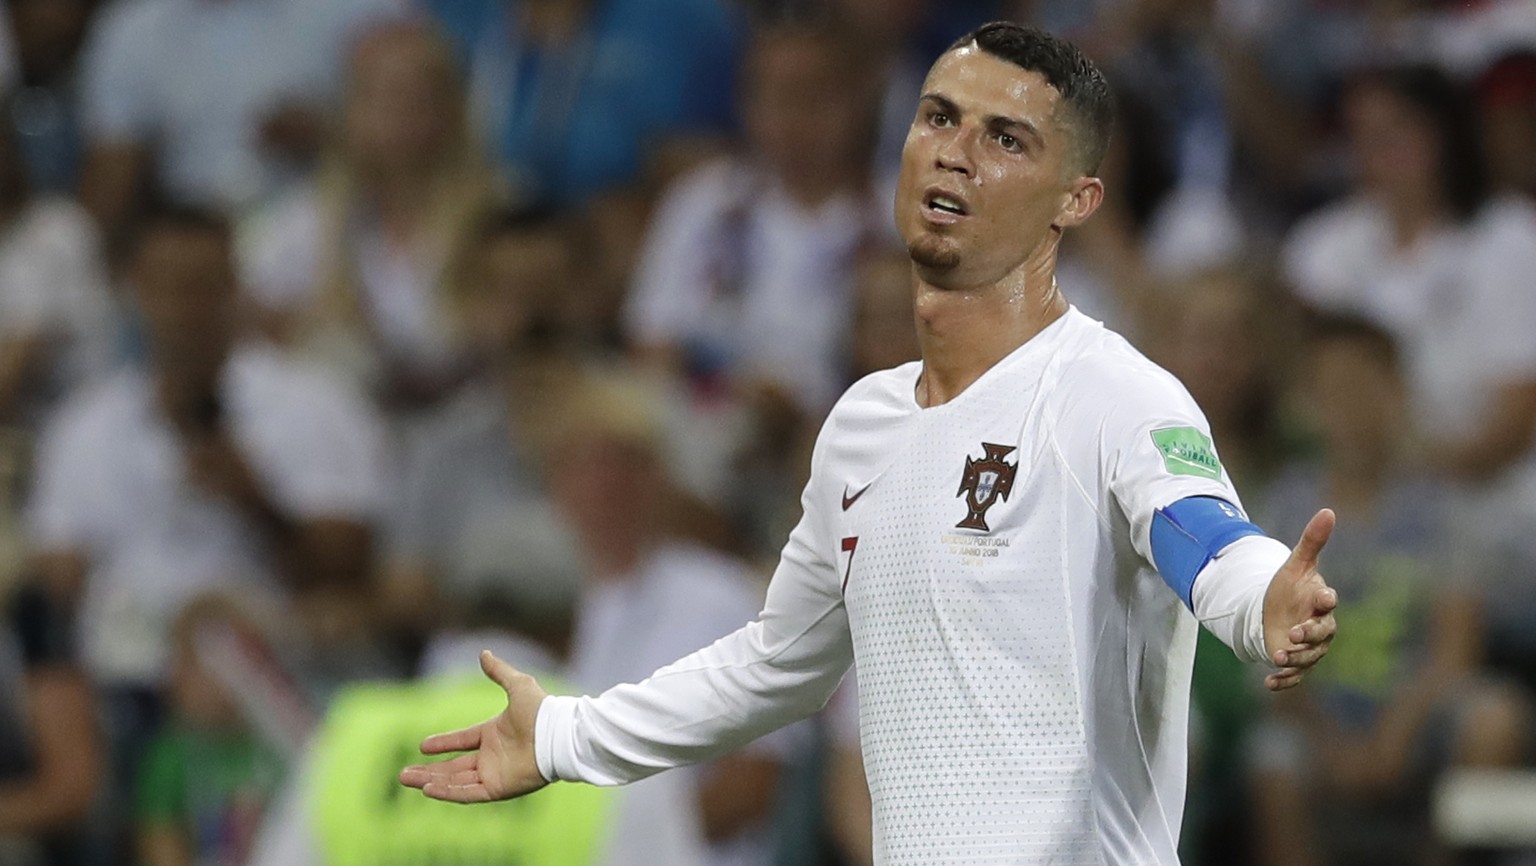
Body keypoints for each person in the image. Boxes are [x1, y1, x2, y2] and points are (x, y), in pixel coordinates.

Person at [401, 23, 1340, 864]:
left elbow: (1200, 531)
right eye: (939, 118)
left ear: (1076, 200)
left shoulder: (1114, 394)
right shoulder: (861, 427)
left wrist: (1260, 594)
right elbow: (777, 662)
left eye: (1003, 139)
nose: (954, 154)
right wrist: (565, 738)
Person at [1248, 315, 1526, 866]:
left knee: (1493, 719)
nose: (1347, 407)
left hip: (1419, 715)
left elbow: (1455, 650)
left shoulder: (1443, 508)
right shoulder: (1283, 504)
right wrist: (1331, 744)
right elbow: (1266, 648)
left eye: (1362, 386)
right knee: (1271, 757)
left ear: (1398, 392)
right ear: (1306, 405)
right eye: (1330, 391)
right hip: (1316, 718)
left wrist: (1395, 736)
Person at [239, 20, 498, 416]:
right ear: (350, 110)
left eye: (420, 95)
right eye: (385, 95)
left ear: (452, 107)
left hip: (468, 417)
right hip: (346, 420)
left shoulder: (498, 214)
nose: (403, 112)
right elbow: (247, 313)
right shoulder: (305, 220)